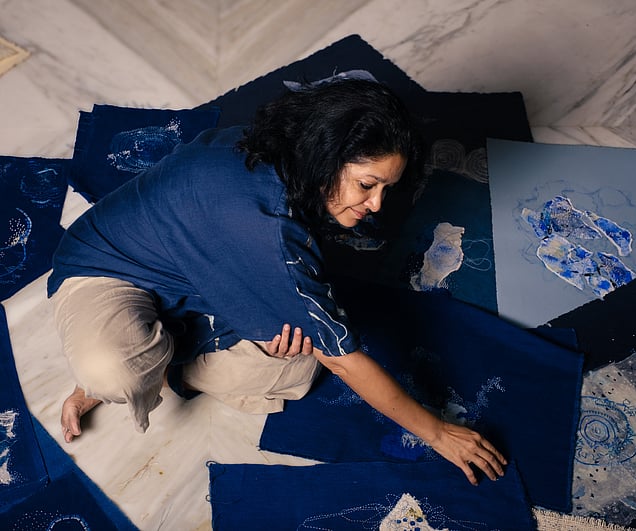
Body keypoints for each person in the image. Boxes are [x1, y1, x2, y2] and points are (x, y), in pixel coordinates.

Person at [48, 79, 506, 485]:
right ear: (326, 157)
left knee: (296, 366)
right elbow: (345, 362)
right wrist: (437, 432)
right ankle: (125, 371)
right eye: (367, 185)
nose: (376, 205)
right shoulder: (269, 231)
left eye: (386, 188)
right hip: (115, 270)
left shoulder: (279, 153)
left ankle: (164, 355)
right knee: (112, 373)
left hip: (204, 280)